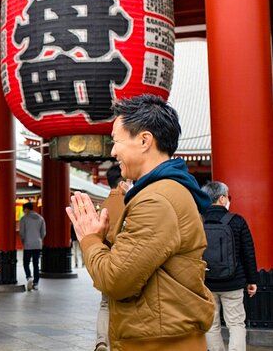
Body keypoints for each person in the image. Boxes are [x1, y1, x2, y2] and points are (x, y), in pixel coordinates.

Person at [66, 94, 214, 351]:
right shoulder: (162, 191)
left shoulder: (156, 200)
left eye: (116, 141)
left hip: (159, 343)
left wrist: (89, 239)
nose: (112, 151)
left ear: (145, 140)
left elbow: (116, 280)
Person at [201, 181, 258, 351]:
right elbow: (248, 252)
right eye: (227, 196)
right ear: (222, 198)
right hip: (233, 282)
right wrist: (252, 280)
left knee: (212, 324)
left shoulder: (198, 221)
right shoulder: (237, 221)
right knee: (236, 323)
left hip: (207, 282)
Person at [94, 164, 126, 351]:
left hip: (106, 262)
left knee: (105, 304)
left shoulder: (102, 206)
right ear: (122, 183)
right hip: (128, 261)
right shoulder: (132, 203)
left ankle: (101, 340)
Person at [19, 201, 46, 291]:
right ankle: (36, 283)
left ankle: (29, 277)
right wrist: (39, 239)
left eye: (24, 209)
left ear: (26, 209)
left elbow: (22, 232)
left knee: (26, 263)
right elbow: (43, 233)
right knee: (36, 264)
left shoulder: (24, 219)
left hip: (28, 244)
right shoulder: (40, 218)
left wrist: (23, 240)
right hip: (38, 244)